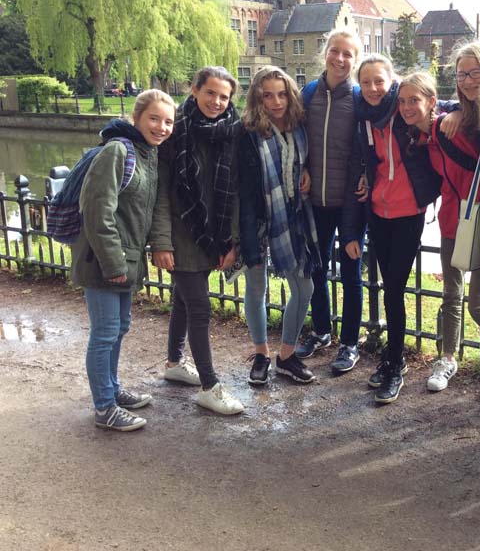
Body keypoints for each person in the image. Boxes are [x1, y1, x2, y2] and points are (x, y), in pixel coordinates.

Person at [72, 89, 176, 431]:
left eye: (168, 122)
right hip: (102, 259)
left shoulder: (149, 154)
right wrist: (114, 264)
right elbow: (97, 211)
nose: (161, 127)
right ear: (137, 118)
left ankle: (112, 389)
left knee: (119, 328)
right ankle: (105, 408)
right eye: (154, 119)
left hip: (126, 259)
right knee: (104, 333)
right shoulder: (117, 151)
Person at [342, 56, 441, 404]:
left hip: (408, 212)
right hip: (378, 212)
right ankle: (392, 357)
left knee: (394, 289)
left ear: (392, 81)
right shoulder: (364, 119)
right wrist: (351, 230)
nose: (373, 89)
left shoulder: (406, 111)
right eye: (366, 82)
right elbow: (359, 168)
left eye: (379, 81)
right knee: (389, 288)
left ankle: (395, 363)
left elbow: (438, 110)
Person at [151, 66, 244, 416]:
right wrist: (162, 242)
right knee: (200, 308)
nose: (217, 102)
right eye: (210, 93)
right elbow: (162, 193)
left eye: (224, 96)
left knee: (183, 300)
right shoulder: (175, 130)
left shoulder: (233, 130)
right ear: (194, 90)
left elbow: (235, 192)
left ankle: (174, 362)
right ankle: (210, 386)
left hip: (213, 233)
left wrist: (231, 241)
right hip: (182, 234)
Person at [426, 41, 480, 395]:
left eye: (477, 72)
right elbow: (424, 103)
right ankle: (448, 356)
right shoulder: (457, 116)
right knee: (451, 293)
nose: (470, 81)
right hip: (455, 218)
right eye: (462, 74)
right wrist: (453, 110)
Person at [239, 66, 321, 386]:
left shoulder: (298, 127)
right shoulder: (247, 132)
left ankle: (286, 356)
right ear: (257, 98)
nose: (276, 102)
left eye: (282, 94)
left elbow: (301, 160)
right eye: (268, 96)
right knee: (256, 287)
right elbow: (243, 187)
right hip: (257, 220)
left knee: (305, 288)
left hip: (293, 217)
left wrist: (307, 170)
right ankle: (260, 354)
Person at [298, 29, 367, 374]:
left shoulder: (359, 97)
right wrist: (302, 167)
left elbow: (370, 143)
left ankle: (350, 342)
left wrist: (367, 174)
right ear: (325, 53)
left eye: (348, 54)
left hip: (350, 202)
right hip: (316, 199)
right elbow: (297, 137)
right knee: (315, 268)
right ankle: (322, 330)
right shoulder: (309, 93)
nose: (340, 59)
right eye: (334, 51)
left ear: (355, 60)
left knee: (351, 273)